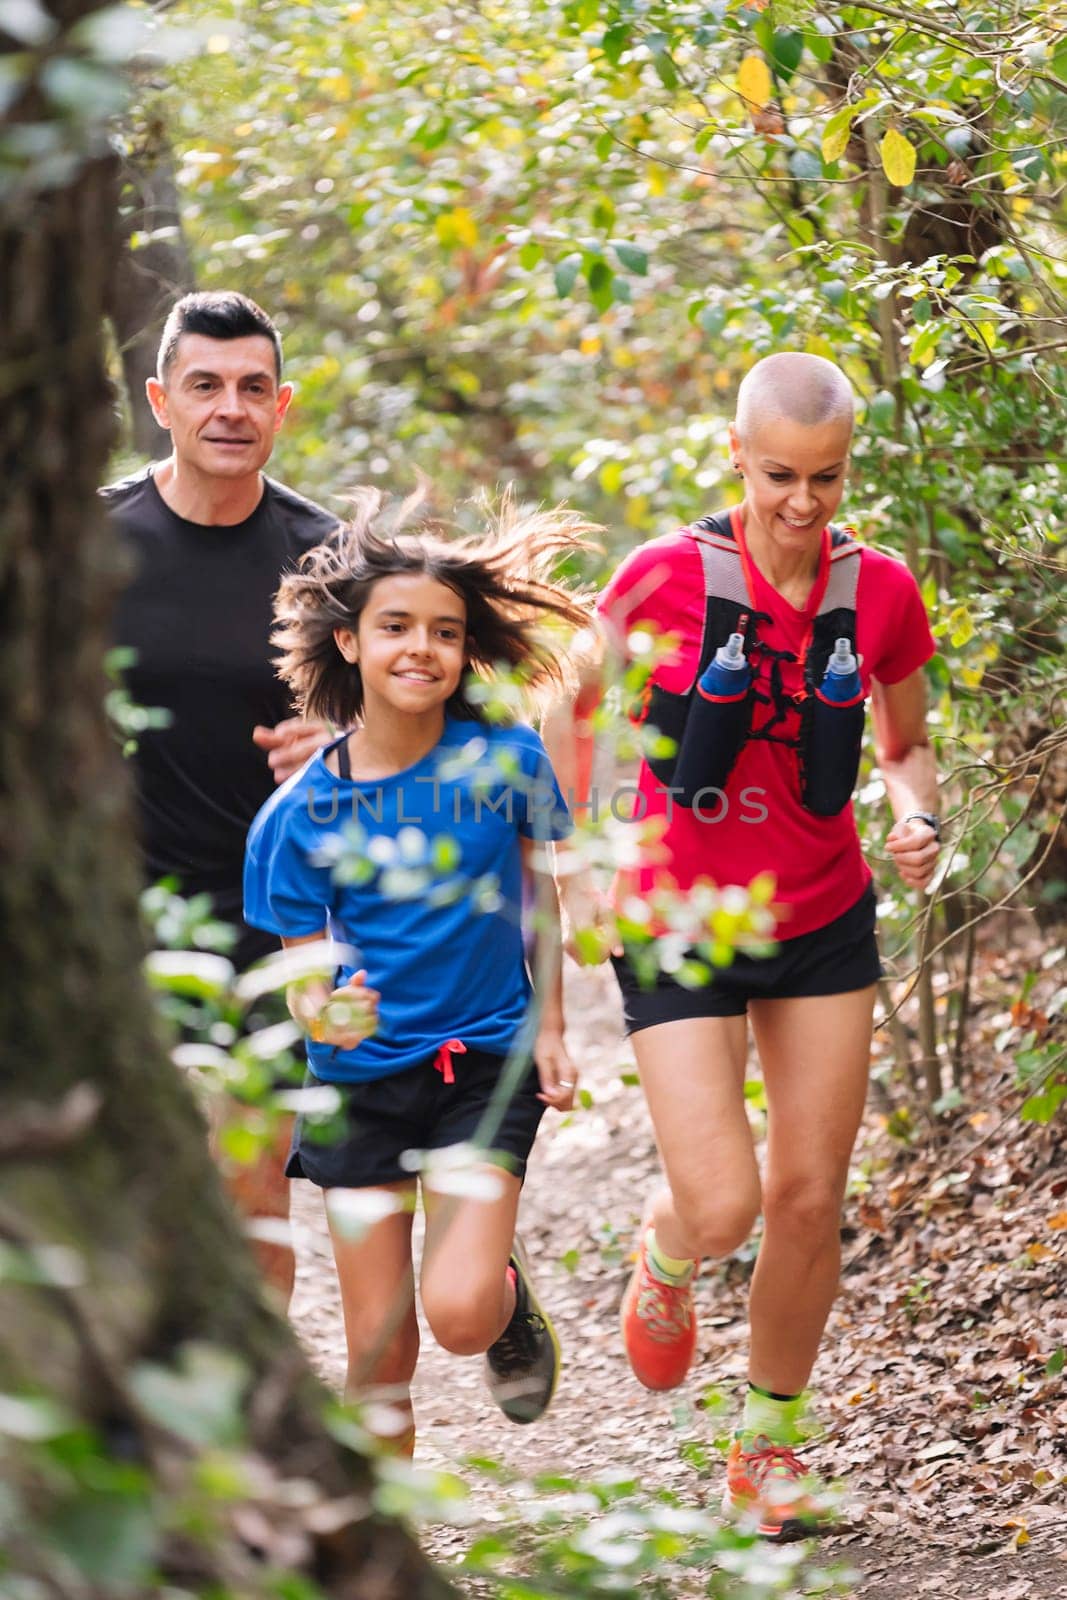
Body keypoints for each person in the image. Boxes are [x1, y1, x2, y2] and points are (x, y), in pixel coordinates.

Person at [544, 352, 941, 1540]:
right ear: (735, 457)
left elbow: (905, 745)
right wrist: (580, 859)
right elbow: (572, 716)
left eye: (825, 477)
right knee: (721, 1205)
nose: (803, 503)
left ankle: (766, 1451)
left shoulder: (878, 591)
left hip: (821, 912)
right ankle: (665, 1257)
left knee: (808, 1198)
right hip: (678, 918)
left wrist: (917, 813)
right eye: (779, 475)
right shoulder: (664, 576)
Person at [242, 489, 596, 1454]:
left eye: (444, 631)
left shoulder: (508, 763)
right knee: (379, 1350)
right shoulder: (297, 818)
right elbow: (301, 974)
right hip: (359, 1091)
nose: (420, 648)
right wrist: (328, 1016)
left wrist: (554, 1028)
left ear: (464, 651)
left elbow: (539, 897)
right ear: (348, 643)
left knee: (457, 1315)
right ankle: (384, 1554)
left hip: (484, 1069)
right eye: (394, 625)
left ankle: (502, 1297)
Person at [105, 291, 340, 1298]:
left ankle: (251, 1436)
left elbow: (416, 728)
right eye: (204, 386)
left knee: (252, 1196)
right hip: (131, 910)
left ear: (282, 406)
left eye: (252, 388)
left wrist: (342, 740)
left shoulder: (326, 556)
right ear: (162, 399)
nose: (229, 408)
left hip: (277, 914)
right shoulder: (94, 541)